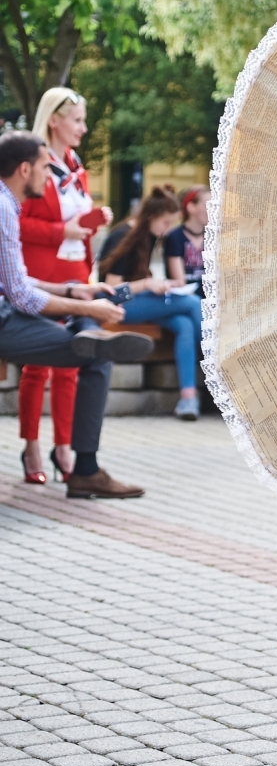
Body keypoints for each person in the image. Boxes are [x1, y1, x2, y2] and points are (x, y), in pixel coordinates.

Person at [0, 131, 153, 497]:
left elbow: (13, 281)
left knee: (82, 313)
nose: (48, 177)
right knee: (97, 355)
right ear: (24, 170)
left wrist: (73, 290)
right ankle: (85, 471)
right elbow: (21, 295)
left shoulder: (5, 203)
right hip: (4, 319)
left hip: (6, 311)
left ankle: (84, 327)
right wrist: (88, 306)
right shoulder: (4, 206)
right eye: (44, 168)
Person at [18, 88, 113, 484]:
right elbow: (17, 222)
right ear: (54, 120)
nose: (83, 128)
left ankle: (63, 447)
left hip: (77, 272)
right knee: (37, 365)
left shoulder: (77, 167)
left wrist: (92, 221)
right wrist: (63, 230)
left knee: (74, 362)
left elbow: (75, 224)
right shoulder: (34, 166)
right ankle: (31, 445)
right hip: (43, 274)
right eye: (77, 120)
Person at [98, 186, 203, 421]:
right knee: (193, 303)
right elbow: (112, 289)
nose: (168, 229)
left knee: (184, 324)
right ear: (151, 217)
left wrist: (159, 284)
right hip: (116, 306)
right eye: (166, 222)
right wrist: (147, 284)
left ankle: (188, 398)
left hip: (138, 302)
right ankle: (217, 368)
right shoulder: (124, 236)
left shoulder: (148, 234)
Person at [164, 185, 210, 298]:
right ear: (191, 207)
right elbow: (180, 282)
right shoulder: (175, 237)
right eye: (208, 205)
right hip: (186, 298)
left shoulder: (215, 237)